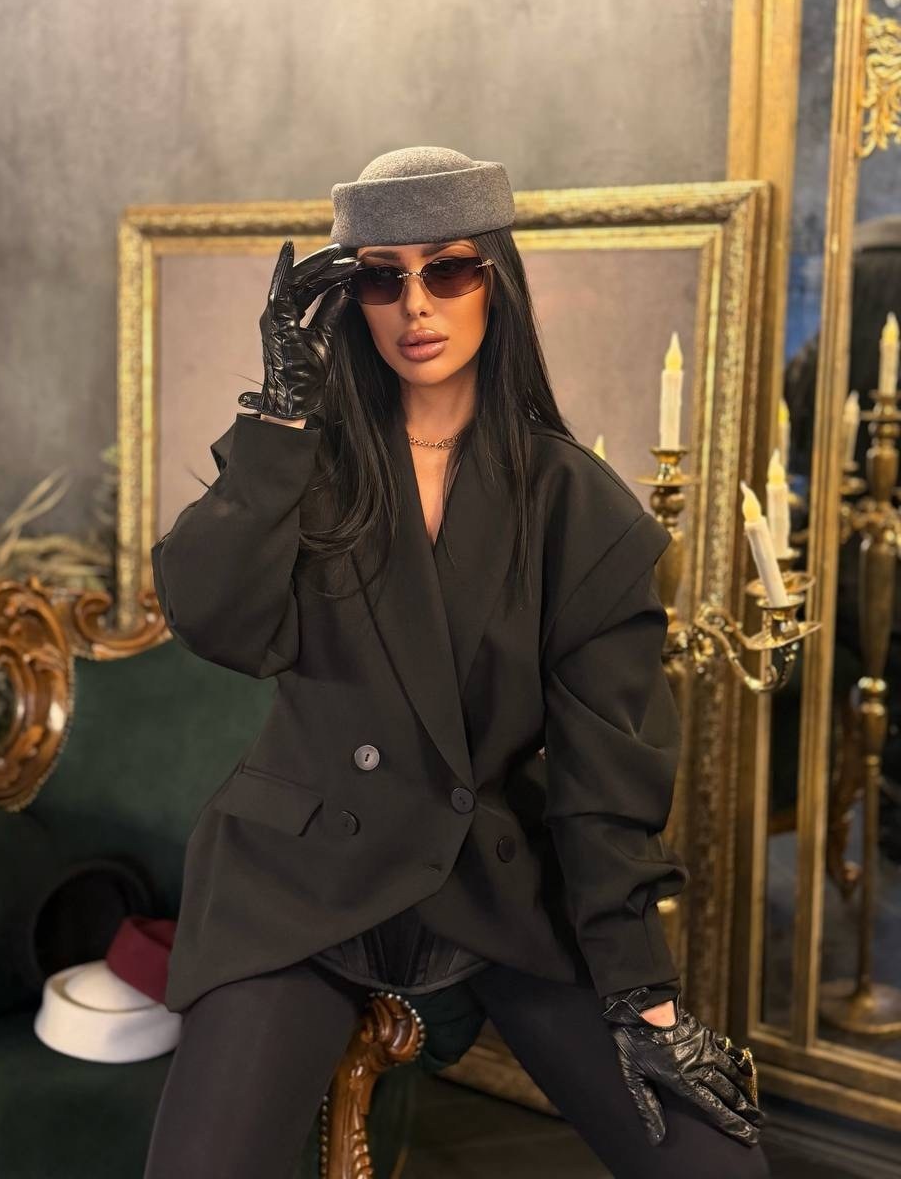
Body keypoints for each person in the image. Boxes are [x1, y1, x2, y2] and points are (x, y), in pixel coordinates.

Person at [143, 146, 768, 1179]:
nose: (416, 304)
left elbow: (604, 780)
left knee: (715, 1167)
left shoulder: (578, 507)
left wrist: (643, 996)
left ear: (497, 282)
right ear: (350, 300)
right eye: (382, 277)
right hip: (299, 876)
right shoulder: (306, 460)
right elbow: (212, 619)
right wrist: (283, 409)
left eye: (450, 269)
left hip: (494, 879)